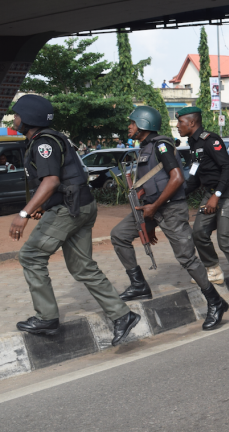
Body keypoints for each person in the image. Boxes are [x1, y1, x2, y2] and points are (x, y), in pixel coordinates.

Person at [9, 95, 140, 344]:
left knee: (31, 256)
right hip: (81, 205)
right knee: (82, 266)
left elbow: (51, 181)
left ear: (28, 118)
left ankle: (46, 317)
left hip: (68, 210)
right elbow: (65, 178)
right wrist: (43, 205)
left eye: (16, 115)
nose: (14, 118)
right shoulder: (51, 138)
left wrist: (23, 214)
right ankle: (123, 315)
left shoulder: (43, 143)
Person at [110, 106, 228, 331]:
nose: (129, 127)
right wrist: (148, 222)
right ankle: (139, 284)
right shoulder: (145, 148)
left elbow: (176, 178)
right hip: (151, 209)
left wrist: (154, 208)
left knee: (187, 258)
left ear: (144, 124)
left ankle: (215, 302)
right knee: (119, 235)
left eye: (133, 123)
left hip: (170, 209)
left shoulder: (161, 145)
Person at [177, 106, 229, 304]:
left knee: (225, 239)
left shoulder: (210, 140)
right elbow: (195, 175)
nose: (177, 125)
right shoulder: (193, 144)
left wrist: (217, 196)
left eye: (180, 122)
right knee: (199, 232)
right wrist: (176, 196)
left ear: (192, 122)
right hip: (212, 193)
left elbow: (227, 168)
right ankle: (213, 269)